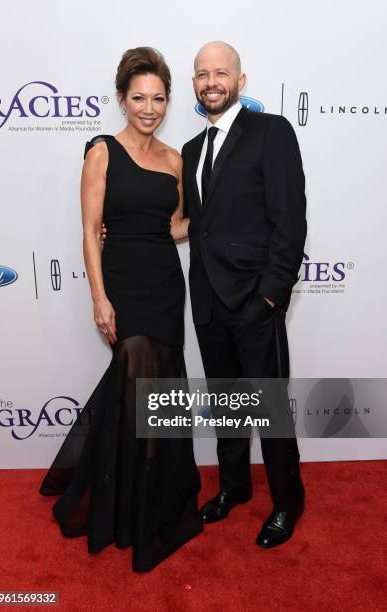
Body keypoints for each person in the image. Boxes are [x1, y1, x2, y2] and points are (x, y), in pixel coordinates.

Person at [39, 47, 203, 573]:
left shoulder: (176, 160)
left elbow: (175, 226)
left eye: (158, 98)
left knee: (159, 388)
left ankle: (150, 501)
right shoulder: (102, 152)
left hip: (163, 281)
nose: (149, 108)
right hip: (124, 285)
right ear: (121, 99)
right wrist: (99, 296)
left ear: (167, 101)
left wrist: (214, 221)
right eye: (139, 98)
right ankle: (119, 504)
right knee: (134, 377)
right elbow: (89, 229)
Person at [182, 41, 307, 548]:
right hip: (209, 301)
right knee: (228, 406)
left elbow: (290, 220)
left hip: (256, 301)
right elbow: (197, 224)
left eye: (221, 72)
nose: (211, 81)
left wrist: (271, 297)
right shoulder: (191, 150)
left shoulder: (271, 132)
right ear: (194, 83)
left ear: (240, 79)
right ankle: (233, 488)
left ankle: (286, 502)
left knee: (270, 410)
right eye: (202, 74)